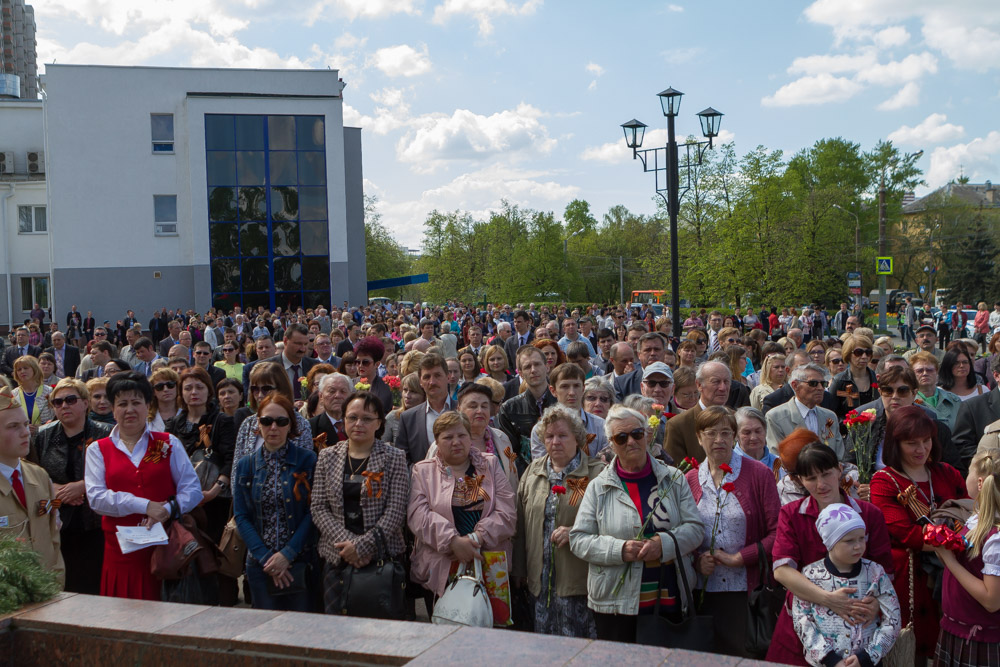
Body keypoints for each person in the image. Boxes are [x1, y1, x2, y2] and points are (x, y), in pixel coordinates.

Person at [570, 405, 703, 643]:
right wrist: (620, 550)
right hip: (615, 602)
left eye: (637, 434)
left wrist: (663, 544)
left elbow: (695, 528)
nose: (631, 441)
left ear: (647, 436)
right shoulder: (598, 487)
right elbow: (579, 539)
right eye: (621, 437)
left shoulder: (674, 478)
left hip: (668, 597)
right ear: (611, 444)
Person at [766, 441, 894, 666]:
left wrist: (877, 605)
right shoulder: (792, 514)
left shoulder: (869, 513)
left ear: (839, 470)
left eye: (826, 474)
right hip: (805, 621)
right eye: (811, 478)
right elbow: (782, 571)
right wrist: (828, 599)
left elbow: (885, 572)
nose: (821, 484)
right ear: (800, 480)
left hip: (857, 623)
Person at [84, 372, 203, 600]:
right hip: (120, 552)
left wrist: (166, 510)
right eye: (122, 404)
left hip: (165, 550)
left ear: (148, 405)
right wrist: (144, 505)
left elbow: (193, 490)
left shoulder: (167, 443)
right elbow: (97, 498)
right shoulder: (98, 450)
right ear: (113, 409)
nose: (130, 410)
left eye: (136, 402)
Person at [869, 405, 968, 662]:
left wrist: (958, 536)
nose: (921, 449)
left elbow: (970, 517)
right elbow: (907, 534)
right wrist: (958, 539)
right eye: (911, 443)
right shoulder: (884, 481)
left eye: (926, 441)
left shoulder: (947, 472)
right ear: (895, 444)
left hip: (952, 576)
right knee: (912, 650)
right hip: (910, 579)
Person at [684, 406, 780, 657]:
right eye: (711, 433)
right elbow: (683, 533)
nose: (719, 440)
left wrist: (740, 558)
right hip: (704, 591)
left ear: (735, 436)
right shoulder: (690, 479)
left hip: (747, 592)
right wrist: (697, 560)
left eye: (726, 433)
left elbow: (778, 532)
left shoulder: (758, 474)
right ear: (699, 437)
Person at [311, 391, 409, 617]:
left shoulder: (394, 457)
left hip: (381, 558)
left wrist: (362, 546)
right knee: (337, 626)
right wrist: (349, 547)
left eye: (367, 419)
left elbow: (396, 511)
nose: (358, 424)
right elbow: (318, 507)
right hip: (338, 556)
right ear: (343, 419)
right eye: (352, 417)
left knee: (380, 628)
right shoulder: (327, 456)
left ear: (379, 423)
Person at [407, 411, 516, 609]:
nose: (456, 442)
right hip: (441, 565)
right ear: (436, 442)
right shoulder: (423, 471)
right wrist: (453, 542)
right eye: (448, 437)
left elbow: (507, 512)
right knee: (444, 623)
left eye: (462, 435)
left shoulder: (490, 464)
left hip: (487, 564)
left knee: (487, 624)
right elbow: (418, 516)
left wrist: (476, 539)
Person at [514, 405, 604, 638]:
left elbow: (609, 525)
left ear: (577, 438)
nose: (555, 442)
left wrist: (576, 532)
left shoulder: (597, 474)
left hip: (578, 584)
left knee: (580, 647)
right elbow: (521, 526)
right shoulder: (532, 472)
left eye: (562, 435)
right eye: (549, 436)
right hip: (540, 584)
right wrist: (520, 570)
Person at [233, 393, 317, 611]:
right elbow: (241, 515)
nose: (273, 427)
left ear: (290, 425)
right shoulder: (246, 465)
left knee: (303, 626)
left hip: (299, 561)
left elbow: (313, 512)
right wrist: (266, 558)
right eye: (266, 421)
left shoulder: (307, 460)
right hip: (260, 564)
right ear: (258, 424)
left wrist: (287, 555)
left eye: (281, 421)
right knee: (265, 627)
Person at [792, 503, 900, 667]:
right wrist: (829, 659)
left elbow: (893, 618)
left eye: (861, 538)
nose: (858, 546)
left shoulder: (875, 572)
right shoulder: (811, 575)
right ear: (830, 542)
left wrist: (867, 656)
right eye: (849, 541)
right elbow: (802, 619)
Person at [34, 378, 113, 594]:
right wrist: (54, 488)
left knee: (94, 585)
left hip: (95, 521)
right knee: (61, 585)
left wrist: (84, 486)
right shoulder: (43, 435)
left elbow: (118, 472)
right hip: (56, 517)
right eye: (57, 402)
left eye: (70, 400)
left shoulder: (106, 433)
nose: (64, 406)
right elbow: (31, 472)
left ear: (85, 403)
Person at [931, 448, 1000, 666]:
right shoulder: (976, 521)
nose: (964, 477)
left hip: (980, 638)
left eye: (968, 472)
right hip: (957, 628)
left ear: (979, 483)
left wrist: (949, 561)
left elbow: (992, 600)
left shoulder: (995, 537)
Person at [0, 386, 65, 584]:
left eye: (26, 424)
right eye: (13, 426)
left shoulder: (40, 476)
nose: (25, 433)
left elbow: (53, 534)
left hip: (45, 588)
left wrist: (56, 582)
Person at [427, 383, 519, 493]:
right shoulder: (442, 445)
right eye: (473, 406)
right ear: (459, 409)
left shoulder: (502, 438)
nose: (480, 411)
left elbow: (512, 480)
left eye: (484, 406)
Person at [233, 362, 313, 471]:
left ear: (281, 389)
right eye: (255, 389)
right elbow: (237, 468)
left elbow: (306, 467)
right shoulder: (247, 424)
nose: (260, 395)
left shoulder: (301, 424)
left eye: (266, 389)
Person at [765, 363, 845, 458]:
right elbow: (776, 457)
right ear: (795, 385)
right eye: (813, 383)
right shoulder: (776, 417)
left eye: (824, 384)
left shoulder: (830, 417)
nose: (820, 388)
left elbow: (839, 455)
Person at [498, 346, 556, 473]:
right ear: (520, 373)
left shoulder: (562, 402)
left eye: (537, 364)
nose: (533, 370)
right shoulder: (508, 409)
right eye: (527, 367)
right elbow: (511, 453)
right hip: (527, 476)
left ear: (547, 367)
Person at [665, 360, 732, 464]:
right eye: (716, 382)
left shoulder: (738, 419)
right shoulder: (678, 425)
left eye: (726, 381)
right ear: (699, 385)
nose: (723, 388)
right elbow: (676, 471)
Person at [394, 354, 454, 467]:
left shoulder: (462, 411)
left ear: (448, 377)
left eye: (437, 375)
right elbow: (402, 460)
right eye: (426, 377)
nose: (432, 382)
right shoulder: (408, 418)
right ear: (420, 382)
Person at [909, 350, 961, 431]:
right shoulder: (908, 401)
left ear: (937, 372)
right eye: (919, 371)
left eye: (929, 370)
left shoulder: (954, 400)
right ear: (912, 374)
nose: (925, 373)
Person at [829, 334, 877, 420]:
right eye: (858, 352)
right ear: (848, 354)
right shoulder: (839, 381)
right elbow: (830, 414)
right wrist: (849, 423)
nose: (864, 356)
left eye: (868, 352)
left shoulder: (876, 378)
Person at [10, 355, 54, 438]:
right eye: (19, 369)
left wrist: (40, 428)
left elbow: (55, 419)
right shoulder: (13, 394)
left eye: (25, 368)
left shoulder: (49, 391)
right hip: (21, 438)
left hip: (45, 438)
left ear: (35, 369)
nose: (22, 371)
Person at [308, 373, 353, 448]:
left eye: (343, 391)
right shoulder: (310, 426)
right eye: (332, 391)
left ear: (351, 396)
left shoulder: (359, 424)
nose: (337, 396)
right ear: (321, 396)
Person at [353, 336, 393, 414]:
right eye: (357, 362)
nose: (360, 365)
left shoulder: (387, 387)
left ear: (377, 364)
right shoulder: (350, 384)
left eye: (365, 362)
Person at [734, 405, 780, 472]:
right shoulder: (728, 465)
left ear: (765, 430)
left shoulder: (780, 464)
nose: (753, 437)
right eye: (747, 433)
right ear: (736, 435)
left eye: (758, 431)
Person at [383, 373, 423, 445]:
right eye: (405, 390)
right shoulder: (393, 416)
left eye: (413, 392)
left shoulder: (428, 418)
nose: (407, 395)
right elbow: (381, 445)